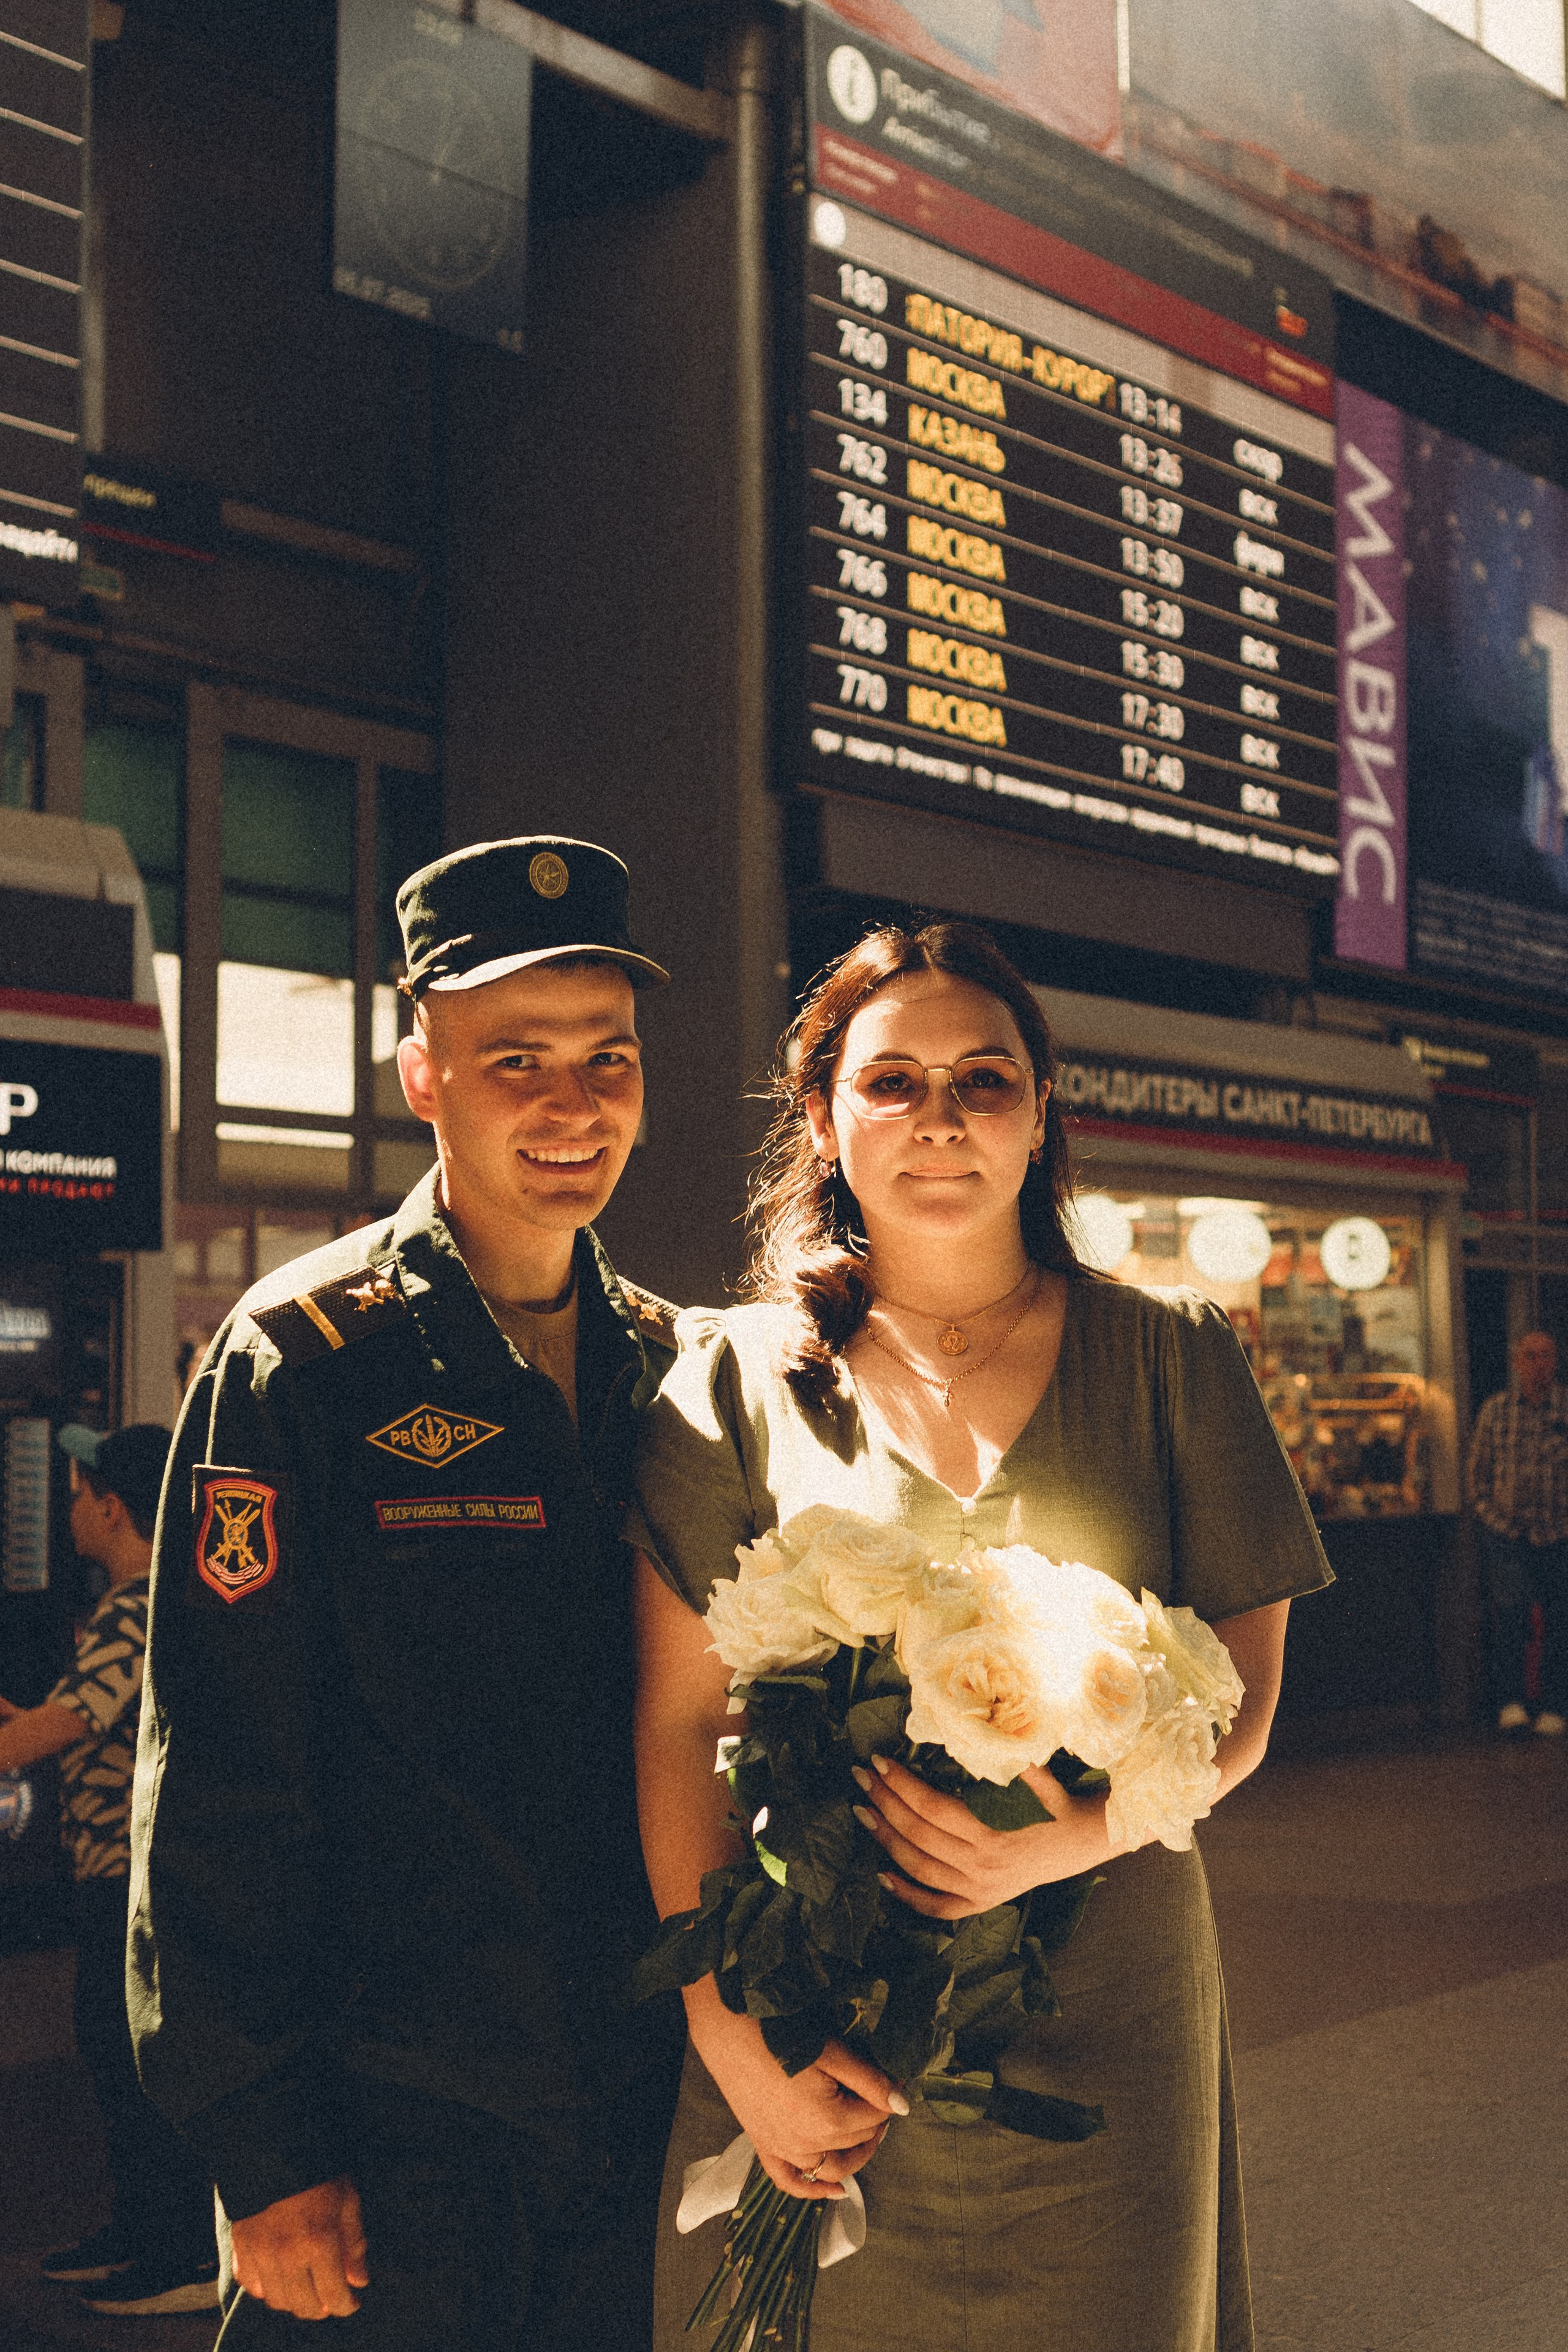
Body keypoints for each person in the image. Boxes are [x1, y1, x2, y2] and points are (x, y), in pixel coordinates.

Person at [631, 921, 1335, 2352]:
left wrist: (1064, 1837)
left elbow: (1244, 1699)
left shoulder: (1171, 1355)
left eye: (983, 1078)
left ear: (1039, 1116)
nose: (938, 1116)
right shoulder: (731, 1377)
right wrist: (730, 2037)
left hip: (1108, 2002)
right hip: (810, 2016)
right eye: (891, 1080)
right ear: (824, 1117)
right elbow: (668, 1726)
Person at [129, 837, 685, 2351]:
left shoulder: (680, 1368)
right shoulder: (303, 1358)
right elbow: (225, 1767)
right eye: (517, 1058)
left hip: (630, 2096)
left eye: (606, 1058)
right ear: (420, 1072)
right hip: (391, 2126)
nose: (572, 1105)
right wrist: (266, 2141)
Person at [0, 1421, 219, 2317]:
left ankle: (178, 2254)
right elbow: (54, 1714)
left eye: (80, 1493)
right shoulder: (134, 1604)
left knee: (134, 2060)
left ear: (112, 1506)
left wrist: (15, 1735)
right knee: (112, 2049)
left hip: (136, 1879)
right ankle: (139, 2232)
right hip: (113, 1874)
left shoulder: (141, 1604)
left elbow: (54, 1729)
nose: (70, 1509)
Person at [1468, 1329, 1568, 1736]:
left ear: (1555, 1361)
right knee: (1510, 1618)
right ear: (1517, 1362)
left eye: (1544, 1356)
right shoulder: (1496, 1411)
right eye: (1530, 1356)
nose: (1537, 1364)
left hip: (1558, 1533)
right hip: (1507, 1535)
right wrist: (1497, 1520)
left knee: (1559, 1619)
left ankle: (1554, 1705)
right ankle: (1511, 1702)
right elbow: (1478, 1475)